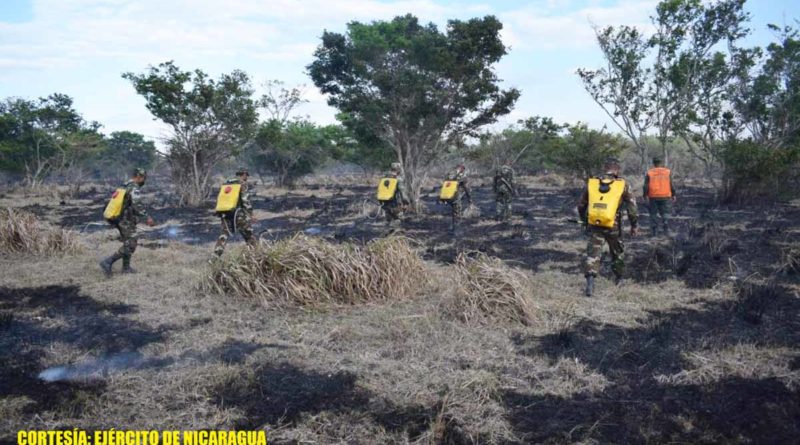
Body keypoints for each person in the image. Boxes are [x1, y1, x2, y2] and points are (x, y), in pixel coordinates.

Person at [577, 157, 639, 296]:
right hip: (614, 226)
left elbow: (581, 205)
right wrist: (634, 225)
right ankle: (619, 278)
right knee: (617, 252)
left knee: (593, 253)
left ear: (605, 168)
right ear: (617, 169)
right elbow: (632, 209)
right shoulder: (622, 184)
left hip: (595, 224)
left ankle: (590, 285)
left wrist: (584, 220)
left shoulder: (592, 183)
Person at [99, 168, 154, 276]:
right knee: (131, 244)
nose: (144, 180)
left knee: (127, 242)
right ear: (139, 176)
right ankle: (107, 262)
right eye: (143, 178)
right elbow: (137, 205)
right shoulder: (134, 187)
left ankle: (126, 268)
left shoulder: (125, 184)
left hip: (119, 218)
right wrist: (147, 217)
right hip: (125, 220)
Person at [213, 168, 256, 256]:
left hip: (225, 213)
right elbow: (246, 202)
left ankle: (215, 257)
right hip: (238, 214)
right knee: (249, 235)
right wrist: (251, 215)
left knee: (224, 235)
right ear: (243, 174)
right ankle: (256, 255)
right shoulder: (242, 184)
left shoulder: (226, 183)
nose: (247, 177)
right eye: (246, 175)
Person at [643, 156, 676, 236]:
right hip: (666, 195)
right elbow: (671, 184)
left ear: (654, 163)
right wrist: (674, 194)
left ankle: (654, 232)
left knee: (653, 214)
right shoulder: (667, 172)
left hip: (653, 196)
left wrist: (645, 195)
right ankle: (666, 229)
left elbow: (645, 186)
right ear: (662, 163)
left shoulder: (649, 172)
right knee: (665, 213)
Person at [442, 164, 472, 235]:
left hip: (448, 197)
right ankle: (457, 231)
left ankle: (452, 227)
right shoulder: (462, 176)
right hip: (456, 197)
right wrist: (470, 199)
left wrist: (443, 199)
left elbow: (445, 185)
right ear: (461, 168)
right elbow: (467, 188)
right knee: (457, 214)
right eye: (463, 169)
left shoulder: (449, 174)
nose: (463, 170)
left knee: (454, 212)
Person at [380, 162, 409, 232]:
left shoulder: (385, 178)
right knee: (398, 219)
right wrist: (406, 203)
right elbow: (403, 193)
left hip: (386, 203)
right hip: (396, 203)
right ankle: (395, 235)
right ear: (398, 169)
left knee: (388, 219)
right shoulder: (398, 179)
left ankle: (386, 235)